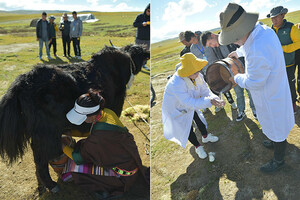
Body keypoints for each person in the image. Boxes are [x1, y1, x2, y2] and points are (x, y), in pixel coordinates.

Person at [219, 3, 294, 172]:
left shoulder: (257, 49)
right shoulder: (263, 30)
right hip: (276, 87)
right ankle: (276, 141)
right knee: (277, 124)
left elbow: (254, 82)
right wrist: (239, 53)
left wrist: (236, 77)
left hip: (270, 94)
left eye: (234, 38)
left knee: (276, 125)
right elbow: (250, 43)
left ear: (241, 31)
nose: (235, 42)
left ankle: (279, 159)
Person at [62, 89, 146, 198]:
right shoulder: (107, 112)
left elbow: (79, 158)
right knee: (83, 144)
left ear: (91, 116)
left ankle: (110, 186)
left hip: (124, 174)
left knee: (76, 170)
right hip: (129, 160)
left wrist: (62, 146)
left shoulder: (99, 137)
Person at [162, 53, 224, 159]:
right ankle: (197, 146)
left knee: (198, 118)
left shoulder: (197, 76)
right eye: (195, 71)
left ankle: (205, 136)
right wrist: (210, 101)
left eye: (198, 70)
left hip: (191, 103)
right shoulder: (176, 83)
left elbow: (205, 90)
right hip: (177, 108)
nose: (198, 73)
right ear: (187, 72)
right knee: (187, 126)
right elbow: (188, 102)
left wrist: (216, 98)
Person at [201, 31, 257, 121]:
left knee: (250, 92)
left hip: (244, 70)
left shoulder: (229, 38)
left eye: (211, 43)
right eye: (210, 45)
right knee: (239, 94)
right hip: (230, 75)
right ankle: (241, 111)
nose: (212, 46)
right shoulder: (215, 47)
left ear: (212, 36)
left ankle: (254, 110)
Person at [184, 30, 238, 112]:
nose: (194, 43)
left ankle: (231, 102)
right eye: (192, 42)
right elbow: (196, 61)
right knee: (213, 88)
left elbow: (216, 50)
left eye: (194, 40)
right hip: (206, 71)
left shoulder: (205, 40)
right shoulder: (192, 48)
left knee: (223, 84)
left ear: (195, 35)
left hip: (217, 67)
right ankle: (218, 104)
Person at [267, 6, 300, 113]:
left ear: (283, 15)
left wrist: (283, 49)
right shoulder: (269, 31)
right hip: (275, 65)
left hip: (288, 63)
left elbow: (298, 43)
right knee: (278, 85)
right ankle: (283, 102)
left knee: (290, 84)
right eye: (272, 18)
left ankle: (293, 103)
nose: (274, 20)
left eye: (276, 17)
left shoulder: (291, 27)